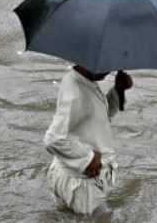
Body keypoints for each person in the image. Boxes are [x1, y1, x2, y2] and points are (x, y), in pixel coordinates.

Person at [43, 66, 133, 215]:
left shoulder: (82, 81)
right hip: (82, 185)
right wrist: (88, 157)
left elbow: (98, 116)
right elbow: (53, 139)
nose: (109, 69)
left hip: (67, 174)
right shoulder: (76, 94)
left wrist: (118, 90)